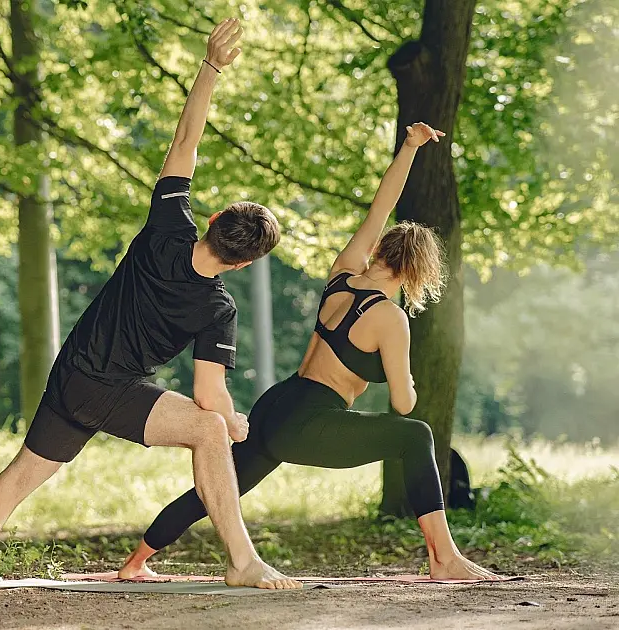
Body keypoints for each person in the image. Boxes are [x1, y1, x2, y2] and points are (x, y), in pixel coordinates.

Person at [0, 18, 301, 590]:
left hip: (72, 371)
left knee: (25, 472)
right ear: (243, 264)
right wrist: (233, 422)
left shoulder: (166, 226)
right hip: (107, 389)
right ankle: (242, 563)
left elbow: (185, 141)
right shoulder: (217, 308)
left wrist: (210, 67)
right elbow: (209, 396)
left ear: (211, 221)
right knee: (209, 430)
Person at [117, 122, 502, 582]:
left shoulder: (344, 273)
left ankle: (136, 561)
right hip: (312, 419)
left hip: (280, 403)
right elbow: (402, 404)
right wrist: (408, 376)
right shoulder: (390, 318)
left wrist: (410, 148)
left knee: (219, 487)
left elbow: (381, 205)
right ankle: (443, 558)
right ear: (418, 272)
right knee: (415, 434)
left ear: (380, 249)